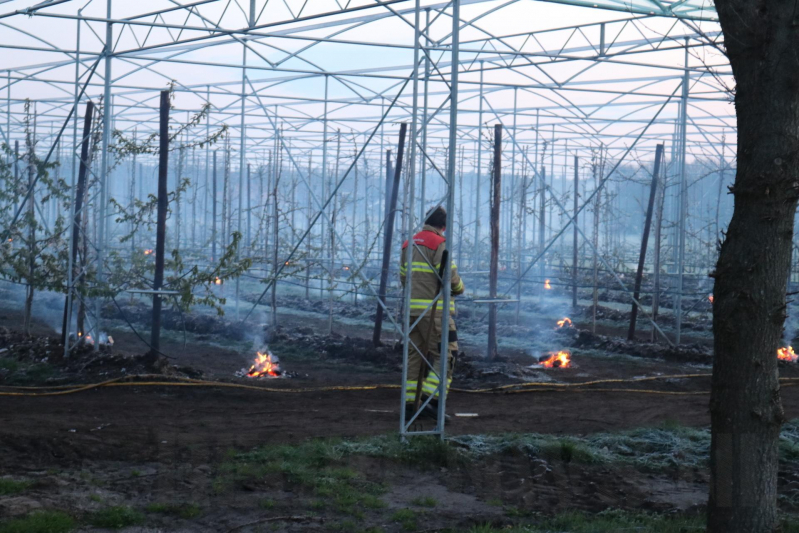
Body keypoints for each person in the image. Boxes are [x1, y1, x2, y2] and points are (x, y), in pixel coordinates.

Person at [399, 206, 465, 419]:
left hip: (411, 311)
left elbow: (403, 277)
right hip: (434, 312)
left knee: (414, 356)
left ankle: (410, 404)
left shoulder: (409, 244)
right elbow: (450, 278)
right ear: (444, 226)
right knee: (447, 354)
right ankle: (431, 401)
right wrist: (460, 289)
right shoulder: (439, 244)